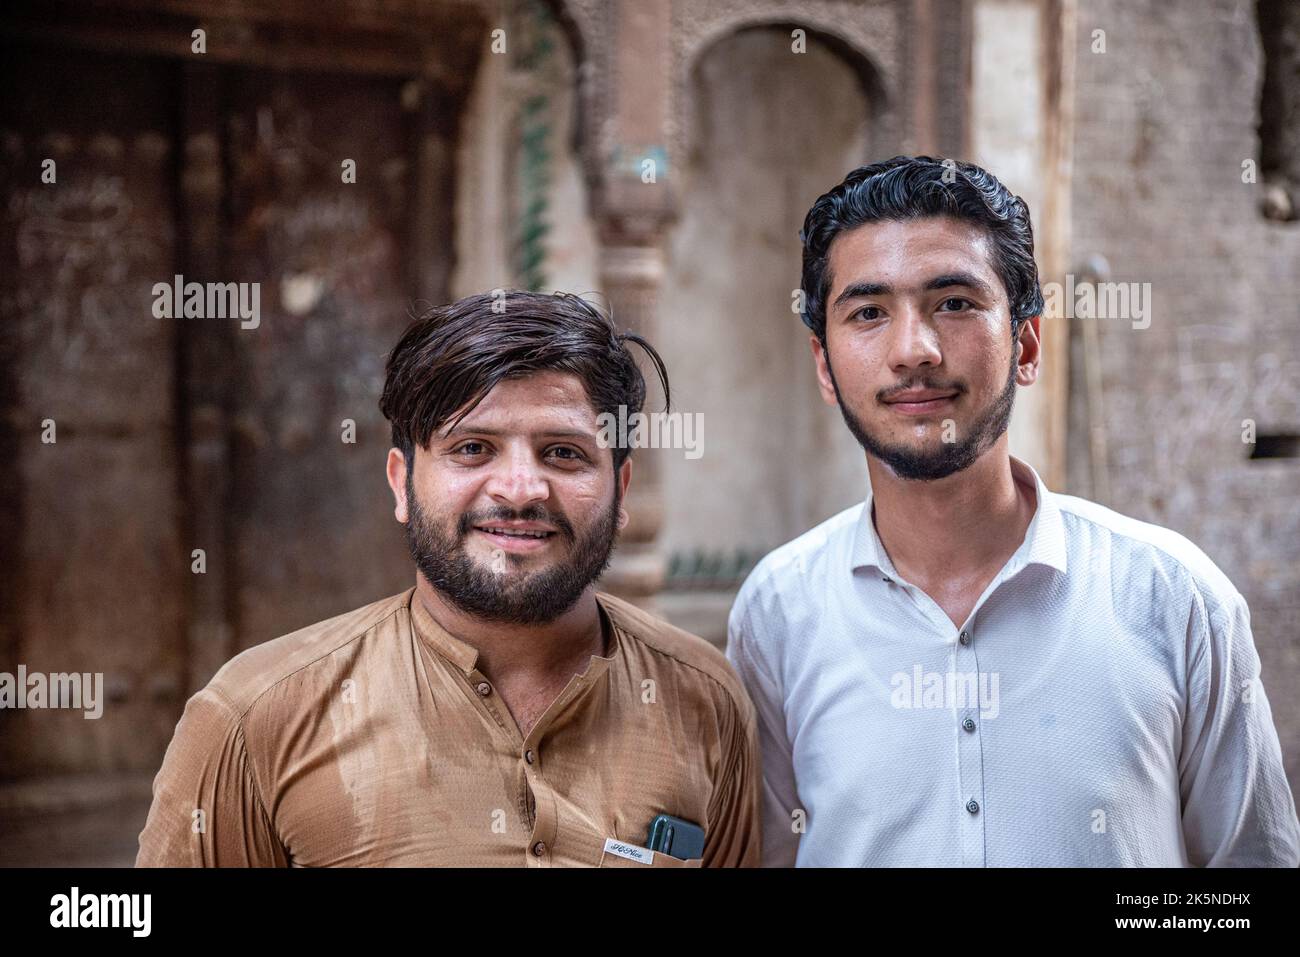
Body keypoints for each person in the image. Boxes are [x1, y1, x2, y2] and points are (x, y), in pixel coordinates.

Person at [726, 156, 1300, 867]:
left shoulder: (1175, 599)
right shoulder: (778, 614)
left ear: (1026, 344)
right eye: (869, 312)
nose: (914, 350)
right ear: (824, 364)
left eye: (955, 303)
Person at [137, 290, 760, 867]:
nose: (520, 489)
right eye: (472, 449)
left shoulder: (704, 700)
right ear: (400, 483)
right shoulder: (256, 718)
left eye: (564, 453)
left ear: (620, 490)